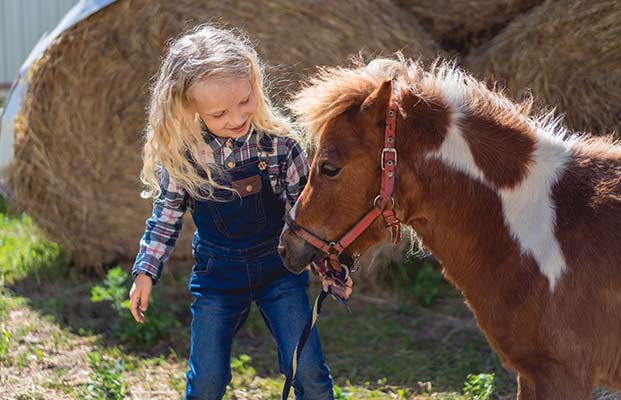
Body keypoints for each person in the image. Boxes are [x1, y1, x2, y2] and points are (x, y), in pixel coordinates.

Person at [128, 24, 334, 400]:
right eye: (220, 112)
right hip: (216, 279)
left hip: (279, 271)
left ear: (255, 83)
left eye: (245, 100)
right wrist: (145, 271)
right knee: (207, 381)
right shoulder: (184, 158)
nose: (237, 117)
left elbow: (308, 218)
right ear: (189, 109)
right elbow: (166, 218)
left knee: (307, 371)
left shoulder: (279, 145)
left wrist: (329, 268)